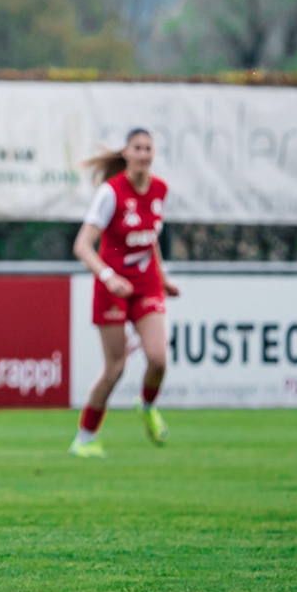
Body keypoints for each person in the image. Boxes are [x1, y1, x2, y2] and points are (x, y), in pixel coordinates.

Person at [70, 128, 179, 458]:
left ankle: (146, 406)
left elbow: (149, 239)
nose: (144, 153)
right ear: (126, 153)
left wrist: (162, 278)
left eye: (149, 148)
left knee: (158, 358)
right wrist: (108, 276)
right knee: (115, 368)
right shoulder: (111, 193)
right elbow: (82, 246)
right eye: (138, 148)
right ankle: (85, 437)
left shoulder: (160, 189)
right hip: (112, 287)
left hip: (145, 283)